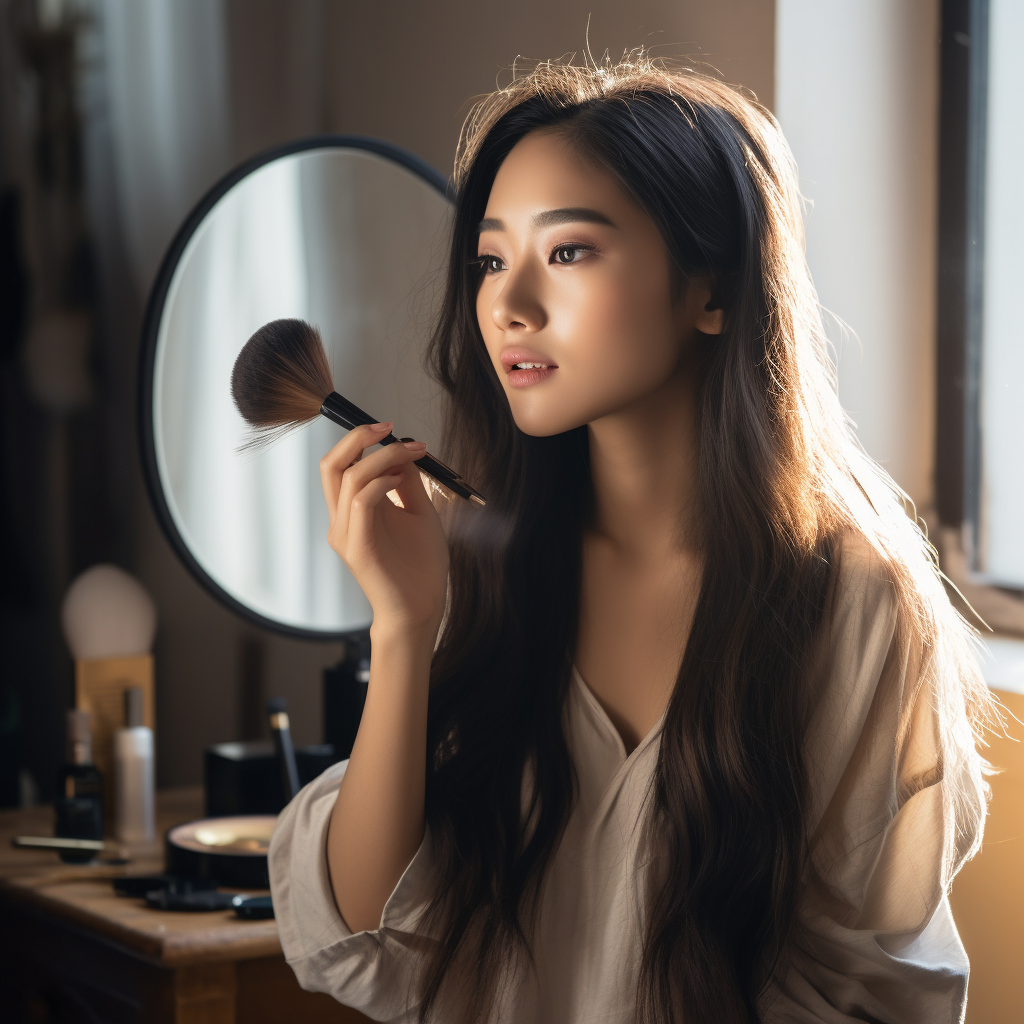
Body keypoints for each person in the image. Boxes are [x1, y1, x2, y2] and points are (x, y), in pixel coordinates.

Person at [269, 53, 997, 1024]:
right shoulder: (472, 571)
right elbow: (360, 930)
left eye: (567, 251)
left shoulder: (855, 605)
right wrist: (401, 629)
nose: (508, 304)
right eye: (490, 259)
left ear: (712, 290)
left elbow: (872, 986)